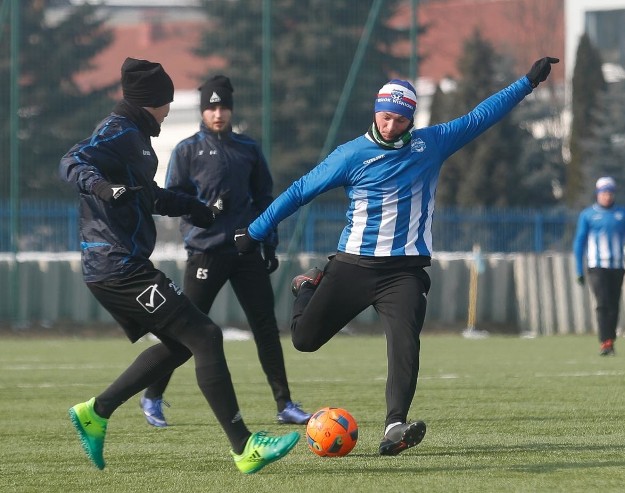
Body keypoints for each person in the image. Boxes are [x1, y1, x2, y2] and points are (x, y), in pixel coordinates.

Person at [234, 56, 560, 455]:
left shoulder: (431, 144)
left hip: (403, 272)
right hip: (353, 265)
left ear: (410, 119)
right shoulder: (352, 155)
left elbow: (480, 117)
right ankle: (309, 285)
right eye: (385, 118)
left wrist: (527, 82)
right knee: (304, 340)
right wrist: (254, 232)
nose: (391, 126)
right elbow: (300, 191)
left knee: (405, 342)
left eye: (399, 120)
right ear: (376, 114)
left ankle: (394, 426)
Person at [60, 57, 299, 474]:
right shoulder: (116, 130)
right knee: (206, 335)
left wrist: (195, 208)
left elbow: (149, 195)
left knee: (183, 343)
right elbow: (72, 161)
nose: (169, 109)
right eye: (166, 101)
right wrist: (102, 186)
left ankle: (97, 411)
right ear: (150, 100)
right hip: (115, 265)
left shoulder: (135, 136)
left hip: (122, 264)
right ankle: (245, 447)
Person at [139, 75, 311, 428]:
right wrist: (199, 224)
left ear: (231, 109)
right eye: (211, 107)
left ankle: (284, 404)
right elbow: (174, 199)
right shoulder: (187, 150)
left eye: (223, 106)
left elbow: (265, 199)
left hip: (245, 250)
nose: (218, 113)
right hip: (206, 253)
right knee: (183, 328)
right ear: (203, 111)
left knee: (265, 327)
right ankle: (152, 395)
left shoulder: (248, 149)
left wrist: (269, 241)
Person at [573, 176, 625, 356]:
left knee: (614, 304)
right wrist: (579, 269)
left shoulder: (622, 214)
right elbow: (579, 242)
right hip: (596, 267)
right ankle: (605, 341)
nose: (607, 196)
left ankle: (611, 341)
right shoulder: (588, 215)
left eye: (610, 193)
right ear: (598, 194)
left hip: (617, 266)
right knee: (602, 303)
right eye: (604, 193)